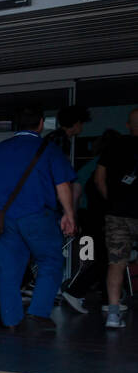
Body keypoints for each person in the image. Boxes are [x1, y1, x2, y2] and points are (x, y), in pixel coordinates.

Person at [0, 106, 76, 332]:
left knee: (9, 269)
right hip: (38, 216)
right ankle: (39, 311)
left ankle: (10, 320)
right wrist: (69, 214)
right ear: (40, 124)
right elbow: (62, 185)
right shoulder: (48, 149)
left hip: (4, 218)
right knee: (51, 261)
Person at [93, 108, 138, 330]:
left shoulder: (114, 146)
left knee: (116, 263)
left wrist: (112, 201)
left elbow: (99, 178)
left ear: (128, 125)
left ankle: (112, 314)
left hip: (117, 214)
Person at [61, 127, 112, 314]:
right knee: (102, 257)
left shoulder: (90, 165)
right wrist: (71, 215)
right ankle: (77, 290)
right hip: (92, 215)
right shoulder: (99, 166)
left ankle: (107, 297)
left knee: (97, 256)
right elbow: (76, 190)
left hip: (85, 214)